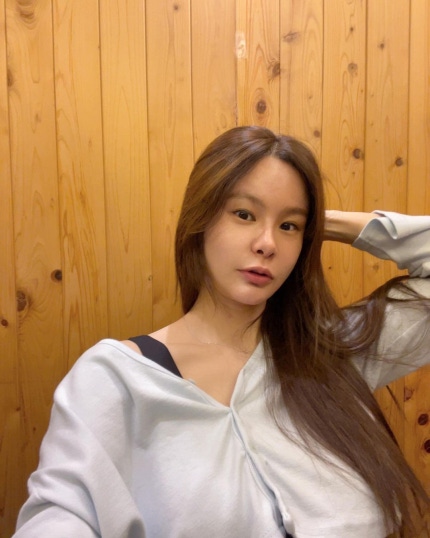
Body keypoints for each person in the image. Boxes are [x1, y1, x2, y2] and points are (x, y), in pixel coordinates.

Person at [14, 126, 430, 538]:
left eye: (289, 226)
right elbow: (61, 514)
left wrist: (324, 222)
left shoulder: (334, 354)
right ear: (201, 220)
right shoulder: (115, 379)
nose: (267, 243)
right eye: (244, 215)